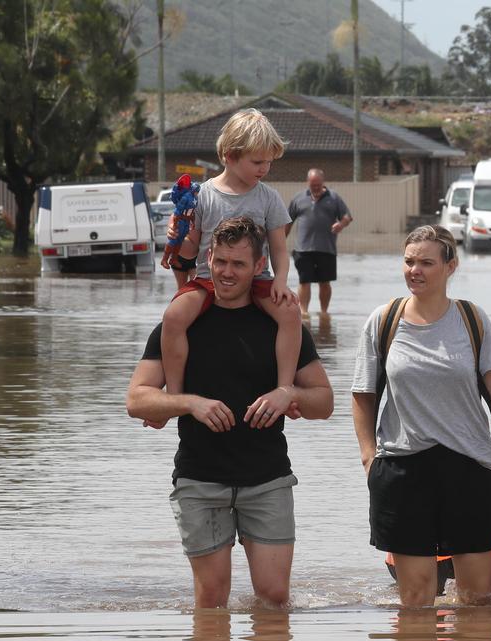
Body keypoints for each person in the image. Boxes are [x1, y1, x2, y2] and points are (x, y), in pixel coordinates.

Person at [126, 217, 334, 609]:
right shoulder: (181, 323)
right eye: (220, 261)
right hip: (200, 480)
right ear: (209, 257)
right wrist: (190, 402)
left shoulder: (280, 324)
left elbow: (324, 402)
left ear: (259, 267)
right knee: (211, 600)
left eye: (238, 264)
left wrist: (285, 393)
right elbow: (137, 400)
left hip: (267, 479)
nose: (226, 272)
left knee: (274, 598)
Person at [350, 225, 491, 608]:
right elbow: (363, 396)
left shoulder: (471, 320)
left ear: (450, 267)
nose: (416, 270)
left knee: (477, 599)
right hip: (402, 470)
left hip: (471, 470)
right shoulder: (384, 321)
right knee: (415, 599)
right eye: (409, 261)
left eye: (427, 263)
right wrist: (369, 458)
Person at [161, 108, 301, 406]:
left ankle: (285, 387)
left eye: (268, 162)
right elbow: (189, 251)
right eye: (257, 162)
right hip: (206, 280)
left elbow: (279, 248)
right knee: (173, 316)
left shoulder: (268, 197)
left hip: (257, 280)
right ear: (229, 155)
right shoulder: (203, 195)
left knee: (290, 312)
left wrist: (281, 281)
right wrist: (177, 233)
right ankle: (173, 395)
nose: (264, 169)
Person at [288, 168, 352, 315]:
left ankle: (324, 312)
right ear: (307, 182)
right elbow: (287, 222)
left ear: (323, 182)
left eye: (318, 184)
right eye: (312, 185)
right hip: (303, 249)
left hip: (326, 249)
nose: (315, 187)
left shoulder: (334, 198)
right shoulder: (298, 199)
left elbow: (347, 216)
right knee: (304, 281)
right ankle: (304, 313)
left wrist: (341, 224)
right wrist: (279, 243)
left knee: (325, 282)